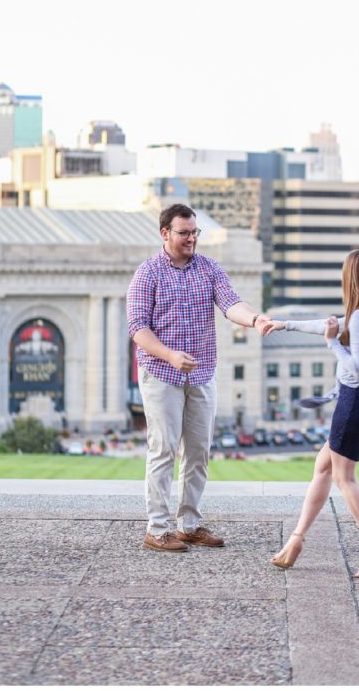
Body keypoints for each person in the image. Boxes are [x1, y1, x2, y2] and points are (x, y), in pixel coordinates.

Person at [126, 204, 275, 552]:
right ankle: (158, 529)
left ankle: (189, 524)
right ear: (165, 233)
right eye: (184, 233)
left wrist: (255, 320)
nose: (191, 238)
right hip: (161, 372)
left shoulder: (209, 269)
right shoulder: (147, 274)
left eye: (194, 232)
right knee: (163, 449)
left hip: (203, 373)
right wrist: (171, 355)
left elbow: (231, 303)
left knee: (198, 452)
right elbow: (137, 328)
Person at [268, 248, 359, 580]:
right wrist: (283, 324)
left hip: (356, 400)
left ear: (351, 277)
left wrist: (331, 343)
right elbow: (329, 324)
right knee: (323, 467)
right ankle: (296, 541)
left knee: (344, 477)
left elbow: (356, 367)